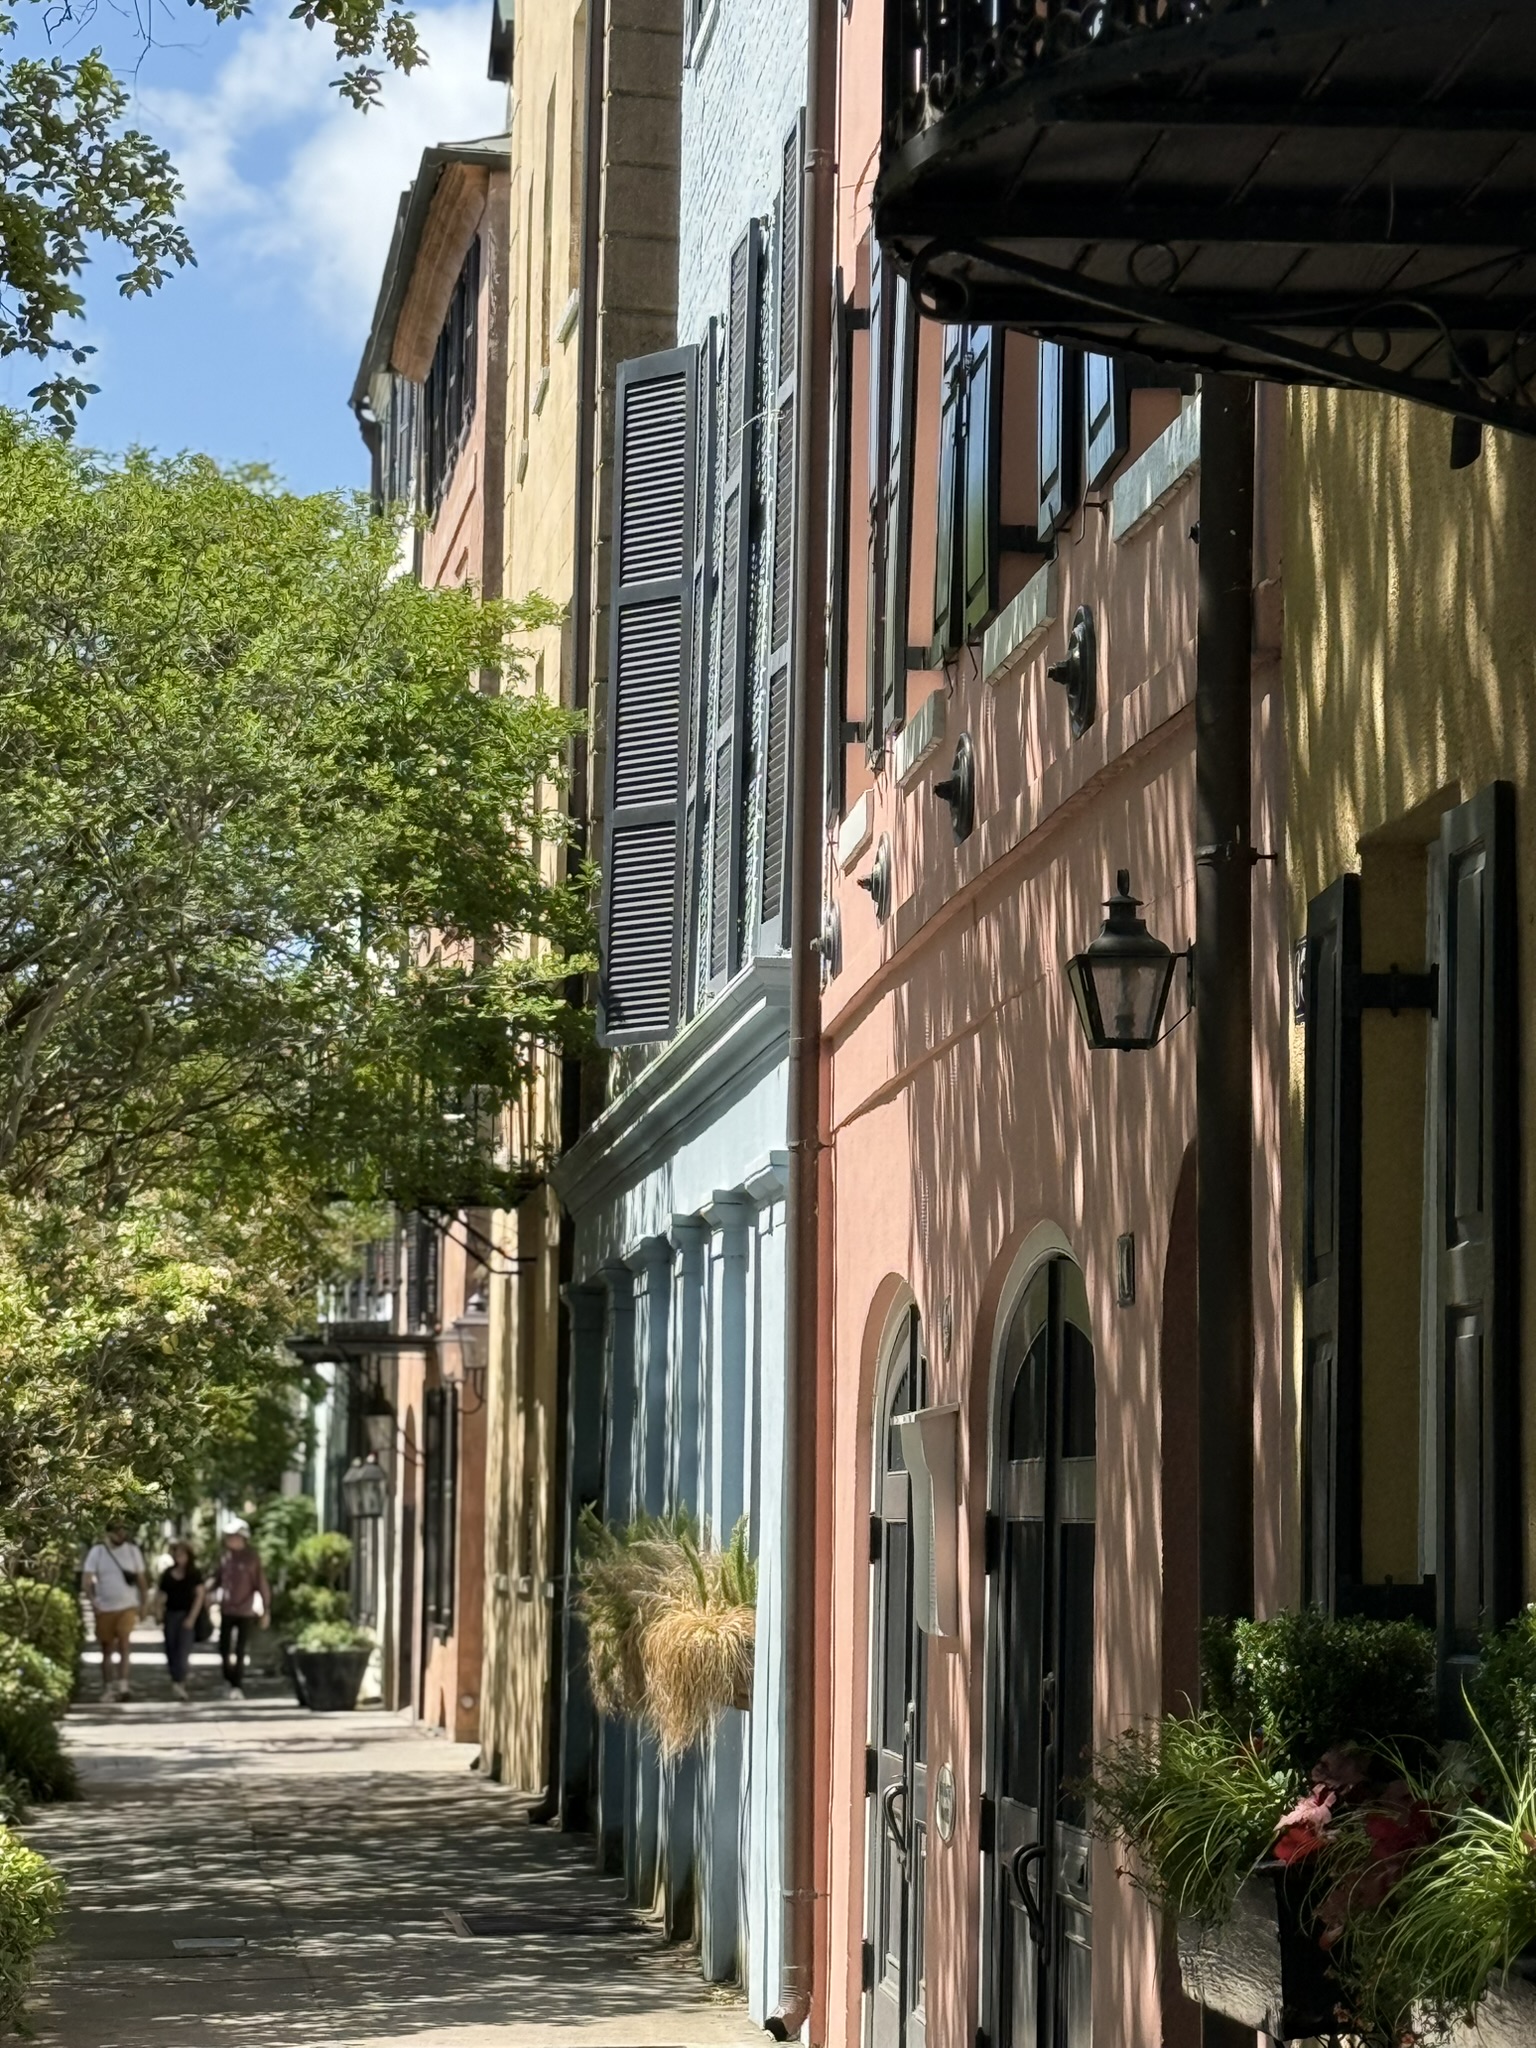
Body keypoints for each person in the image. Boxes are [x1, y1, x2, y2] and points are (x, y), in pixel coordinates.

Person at [81, 1523, 148, 1701]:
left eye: (123, 1529)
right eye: (117, 1530)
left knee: (125, 1644)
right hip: (105, 1607)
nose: (121, 1533)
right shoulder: (98, 1552)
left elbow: (141, 1580)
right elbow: (87, 1579)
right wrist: (93, 1601)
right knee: (107, 1648)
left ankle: (123, 1685)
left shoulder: (133, 1551)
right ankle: (108, 1687)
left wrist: (144, 1604)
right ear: (108, 1532)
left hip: (127, 1606)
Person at [211, 1521, 270, 1701]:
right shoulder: (225, 1558)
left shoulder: (252, 1559)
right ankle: (227, 1680)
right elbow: (216, 1579)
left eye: (233, 1536)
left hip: (245, 1610)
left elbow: (261, 1584)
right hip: (227, 1609)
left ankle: (237, 1685)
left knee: (240, 1649)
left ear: (242, 1537)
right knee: (223, 1647)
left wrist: (266, 1609)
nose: (229, 1540)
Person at [155, 1541, 206, 1703]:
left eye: (182, 1554)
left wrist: (192, 1617)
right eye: (176, 1555)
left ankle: (180, 1682)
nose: (179, 1558)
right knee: (171, 1649)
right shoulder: (168, 1574)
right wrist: (157, 1612)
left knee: (183, 1651)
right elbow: (161, 1595)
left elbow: (200, 1596)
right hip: (170, 1615)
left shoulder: (194, 1574)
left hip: (186, 1615)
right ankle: (175, 1679)